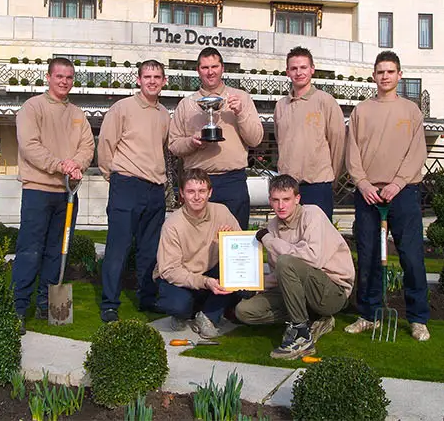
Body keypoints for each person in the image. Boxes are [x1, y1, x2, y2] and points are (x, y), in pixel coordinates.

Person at [343, 50, 432, 341]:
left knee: (411, 256)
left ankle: (418, 318)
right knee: (369, 255)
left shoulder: (411, 111)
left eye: (390, 72)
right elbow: (351, 153)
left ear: (399, 75)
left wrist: (398, 183)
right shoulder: (361, 111)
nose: (385, 76)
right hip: (368, 195)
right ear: (374, 76)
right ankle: (368, 314)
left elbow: (417, 152)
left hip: (403, 193)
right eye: (380, 72)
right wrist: (364, 184)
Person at [11, 57, 95, 321]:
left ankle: (47, 305)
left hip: (67, 194)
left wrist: (76, 164)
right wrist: (61, 165)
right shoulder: (32, 108)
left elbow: (88, 147)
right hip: (38, 191)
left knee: (58, 252)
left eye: (69, 77)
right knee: (30, 250)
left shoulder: (78, 114)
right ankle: (19, 308)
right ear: (48, 77)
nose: (64, 82)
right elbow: (30, 146)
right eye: (59, 76)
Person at [235, 175, 353, 360]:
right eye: (276, 200)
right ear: (270, 201)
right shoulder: (273, 225)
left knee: (286, 261)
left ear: (297, 199)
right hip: (298, 289)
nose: (281, 206)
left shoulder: (312, 214)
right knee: (244, 311)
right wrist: (253, 284)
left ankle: (301, 334)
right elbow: (280, 273)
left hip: (332, 290)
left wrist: (269, 240)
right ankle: (311, 318)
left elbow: (311, 258)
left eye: (286, 199)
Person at [96, 60, 170, 323]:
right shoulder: (122, 109)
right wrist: (113, 176)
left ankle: (147, 297)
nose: (152, 81)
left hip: (154, 188)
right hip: (126, 184)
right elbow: (105, 145)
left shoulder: (163, 114)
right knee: (118, 247)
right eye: (147, 76)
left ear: (164, 81)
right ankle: (109, 303)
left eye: (157, 76)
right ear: (138, 80)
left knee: (150, 250)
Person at [169, 47, 265, 229]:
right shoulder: (187, 104)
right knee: (198, 242)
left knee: (234, 241)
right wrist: (192, 142)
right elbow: (173, 145)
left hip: (232, 181)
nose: (210, 72)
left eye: (214, 66)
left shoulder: (241, 98)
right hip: (197, 182)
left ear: (223, 68)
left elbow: (255, 140)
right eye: (205, 67)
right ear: (198, 71)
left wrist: (240, 113)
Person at [155, 169, 245, 339]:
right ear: (182, 193)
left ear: (210, 192)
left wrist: (228, 240)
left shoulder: (222, 212)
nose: (197, 197)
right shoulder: (172, 225)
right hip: (180, 277)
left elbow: (241, 251)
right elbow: (170, 270)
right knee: (178, 305)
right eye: (191, 191)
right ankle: (186, 312)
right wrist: (204, 282)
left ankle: (207, 317)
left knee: (238, 278)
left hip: (209, 272)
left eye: (202, 191)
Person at [273, 47, 346, 219]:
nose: (299, 72)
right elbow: (280, 140)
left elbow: (338, 143)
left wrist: (331, 178)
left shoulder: (325, 101)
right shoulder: (280, 106)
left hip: (317, 185)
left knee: (317, 240)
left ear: (312, 69)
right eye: (294, 68)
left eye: (303, 67)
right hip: (288, 188)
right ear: (288, 72)